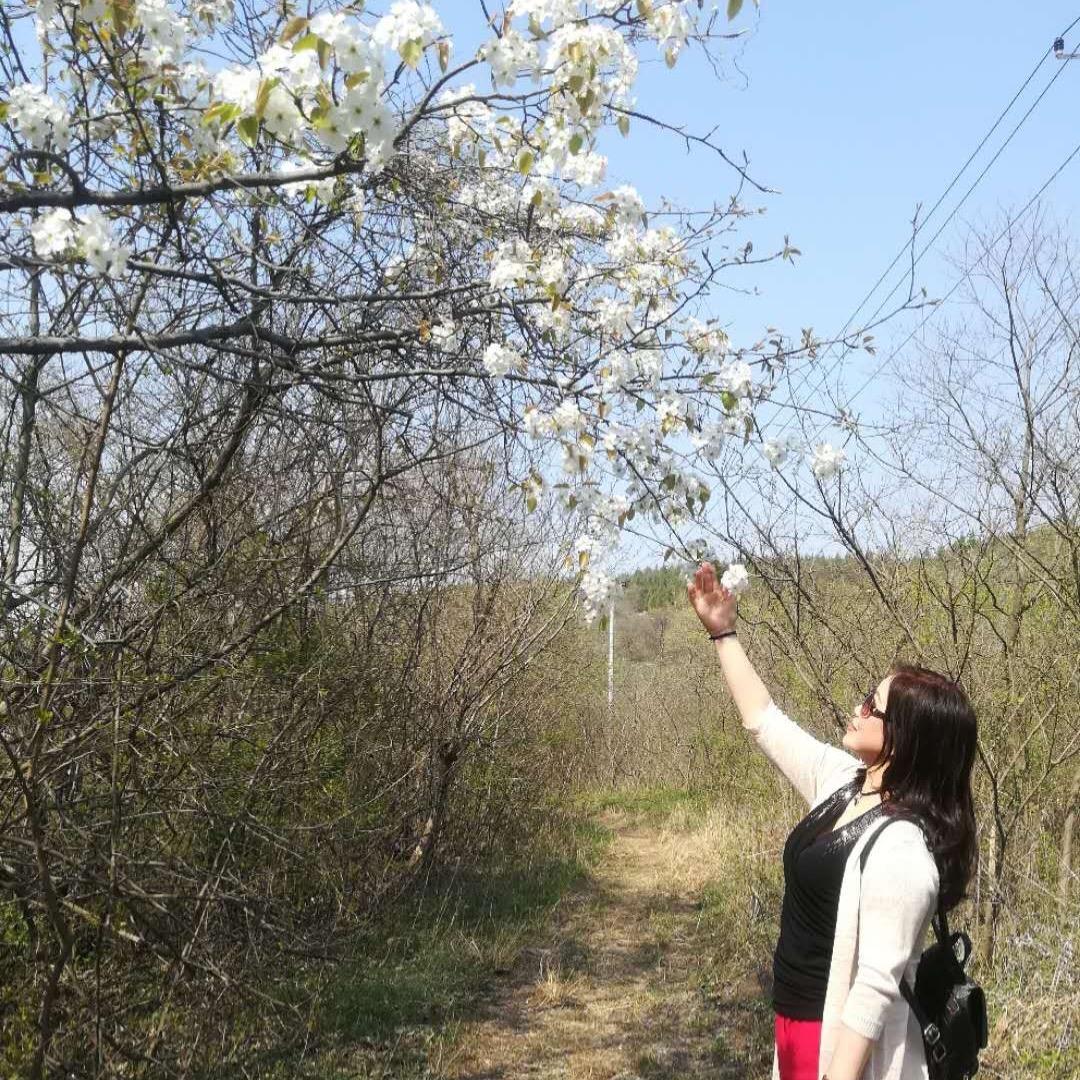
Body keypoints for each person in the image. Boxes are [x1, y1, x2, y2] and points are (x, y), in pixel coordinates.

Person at [686, 562, 977, 1080]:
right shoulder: (845, 781)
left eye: (873, 706)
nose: (857, 708)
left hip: (840, 1046)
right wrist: (723, 633)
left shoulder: (904, 848)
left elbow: (872, 992)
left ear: (905, 737)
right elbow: (765, 721)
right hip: (795, 1024)